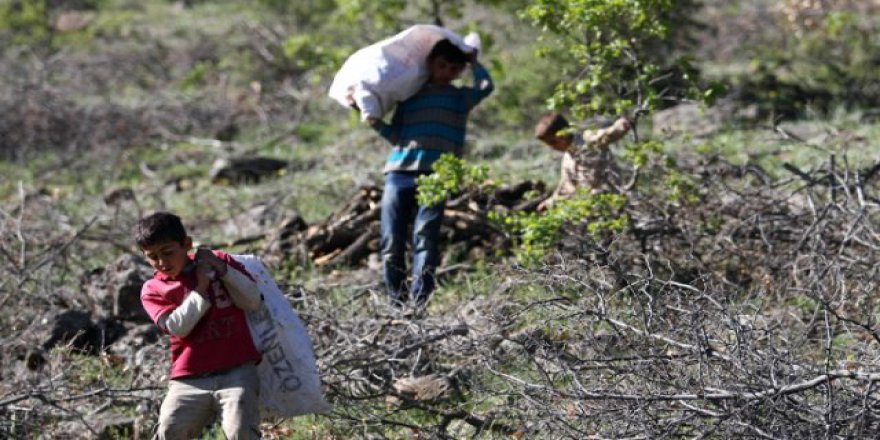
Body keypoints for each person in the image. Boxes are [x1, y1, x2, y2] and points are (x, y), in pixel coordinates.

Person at [353, 38, 493, 308]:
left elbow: (486, 87)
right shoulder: (409, 96)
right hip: (399, 171)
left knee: (425, 236)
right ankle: (397, 303)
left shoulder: (460, 98)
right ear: (430, 63)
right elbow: (396, 135)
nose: (447, 72)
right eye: (442, 65)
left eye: (455, 69)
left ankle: (418, 305)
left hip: (438, 175)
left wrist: (475, 63)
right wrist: (374, 122)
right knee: (391, 240)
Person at [135, 212, 263, 440]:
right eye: (152, 257)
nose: (162, 263)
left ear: (187, 244)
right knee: (169, 429)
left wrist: (223, 270)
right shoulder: (153, 289)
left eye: (167, 252)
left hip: (237, 371)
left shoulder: (219, 262)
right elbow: (177, 326)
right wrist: (201, 288)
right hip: (189, 378)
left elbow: (252, 301)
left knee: (241, 432)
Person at [535, 112, 632, 211]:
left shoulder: (586, 139)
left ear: (564, 133)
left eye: (553, 142)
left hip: (611, 199)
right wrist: (550, 203)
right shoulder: (567, 158)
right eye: (549, 145)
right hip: (590, 206)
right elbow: (566, 187)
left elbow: (607, 134)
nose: (553, 147)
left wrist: (622, 125)